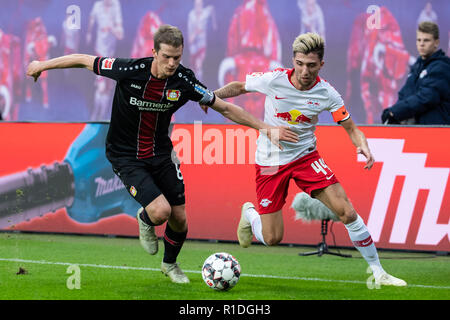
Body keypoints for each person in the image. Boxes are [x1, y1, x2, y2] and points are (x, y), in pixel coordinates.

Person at [26, 25, 298, 284]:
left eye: (176, 57)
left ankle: (170, 264)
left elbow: (224, 108)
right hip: (125, 155)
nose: (171, 63)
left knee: (180, 218)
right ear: (154, 52)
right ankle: (145, 218)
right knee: (160, 212)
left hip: (162, 154)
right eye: (166, 57)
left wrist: (265, 128)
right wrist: (41, 65)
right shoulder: (130, 70)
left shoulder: (184, 80)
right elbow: (84, 60)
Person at [211, 32, 407, 287]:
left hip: (305, 157)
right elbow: (239, 86)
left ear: (321, 65)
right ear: (293, 60)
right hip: (270, 160)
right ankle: (250, 213)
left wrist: (364, 146)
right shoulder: (274, 79)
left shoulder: (328, 93)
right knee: (272, 238)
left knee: (346, 212)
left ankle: (379, 272)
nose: (304, 71)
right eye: (300, 63)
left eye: (311, 65)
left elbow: (351, 128)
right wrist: (213, 95)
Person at [382, 22, 450, 125]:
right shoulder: (416, 68)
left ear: (436, 43)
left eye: (426, 40)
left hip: (436, 133)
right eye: (419, 40)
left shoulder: (442, 67)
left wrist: (395, 112)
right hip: (415, 132)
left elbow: (426, 97)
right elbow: (404, 95)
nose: (421, 44)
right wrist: (393, 112)